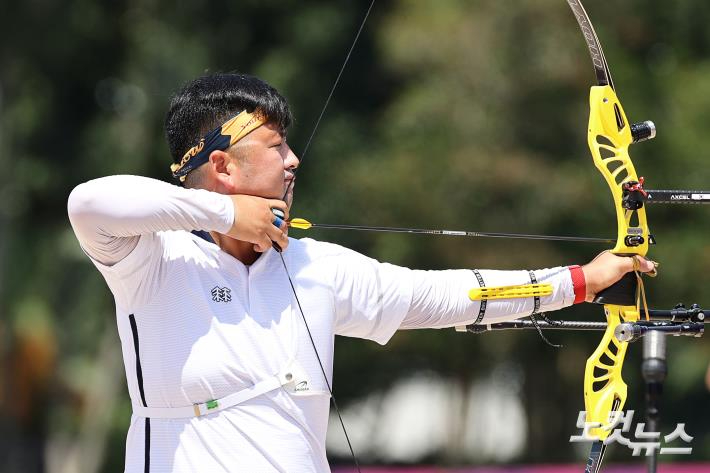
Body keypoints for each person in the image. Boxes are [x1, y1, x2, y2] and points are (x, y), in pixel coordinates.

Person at [67, 72, 656, 473]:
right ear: (221, 165)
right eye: (275, 146)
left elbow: (449, 295)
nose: (294, 160)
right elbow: (88, 202)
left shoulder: (315, 268)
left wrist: (580, 282)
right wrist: (227, 214)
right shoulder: (154, 261)